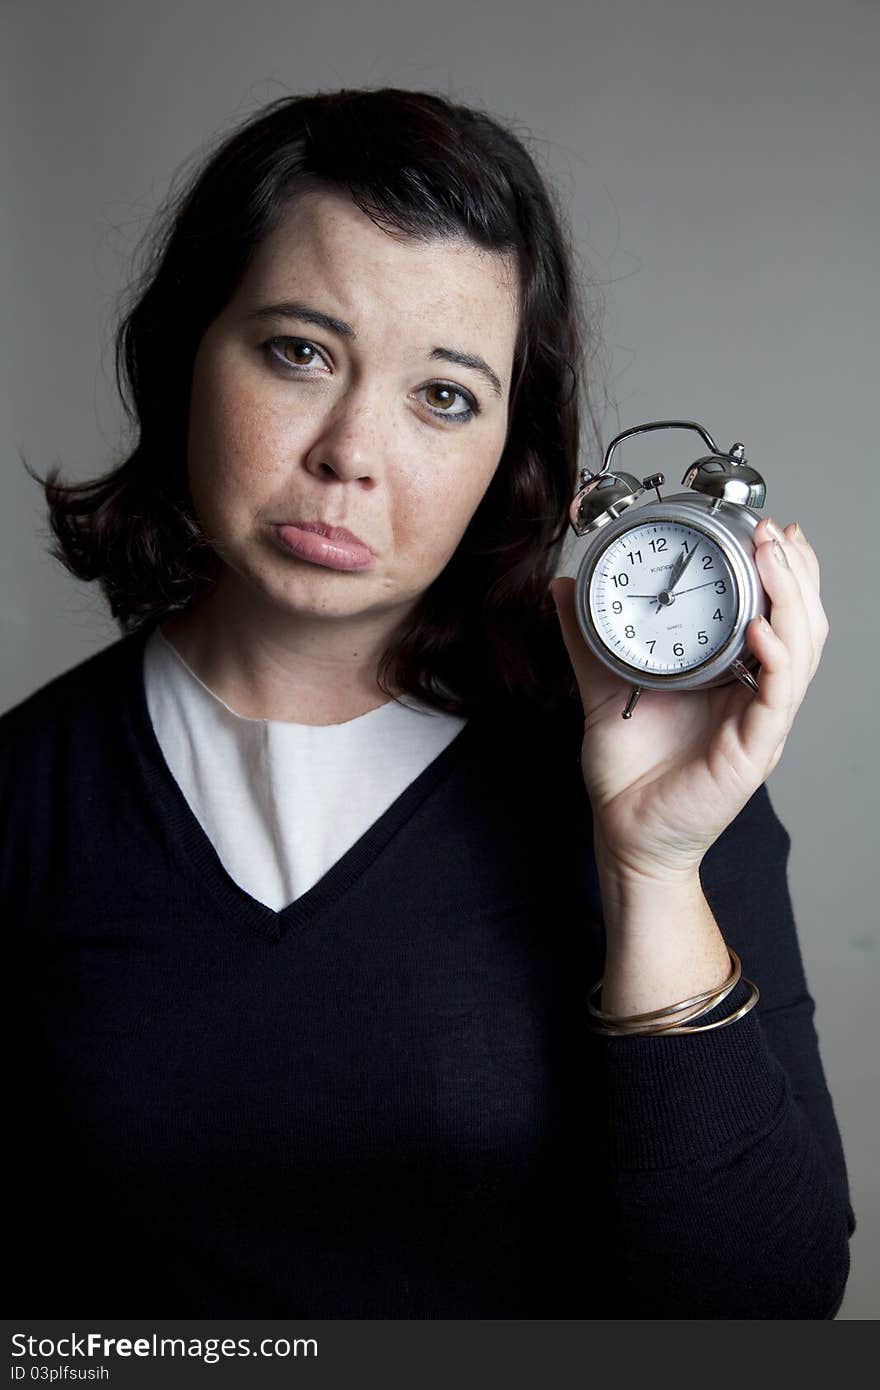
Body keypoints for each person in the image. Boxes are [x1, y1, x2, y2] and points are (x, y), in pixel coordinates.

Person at [5, 87, 854, 1318]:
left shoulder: (646, 768)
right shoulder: (28, 798)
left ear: (511, 450)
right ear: (186, 350)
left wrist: (654, 867)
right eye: (300, 350)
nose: (351, 450)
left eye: (443, 395)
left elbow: (765, 1312)